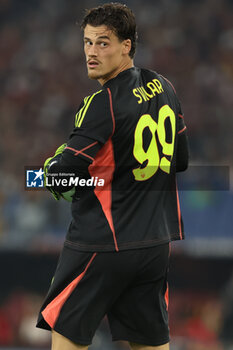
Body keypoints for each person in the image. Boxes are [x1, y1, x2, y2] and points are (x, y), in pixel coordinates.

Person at [36, 3, 189, 350]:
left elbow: (62, 180)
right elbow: (180, 161)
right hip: (154, 245)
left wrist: (48, 174)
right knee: (149, 344)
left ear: (127, 46)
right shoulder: (164, 87)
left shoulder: (101, 103)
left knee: (66, 333)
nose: (92, 52)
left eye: (103, 43)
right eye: (87, 42)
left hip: (102, 244)